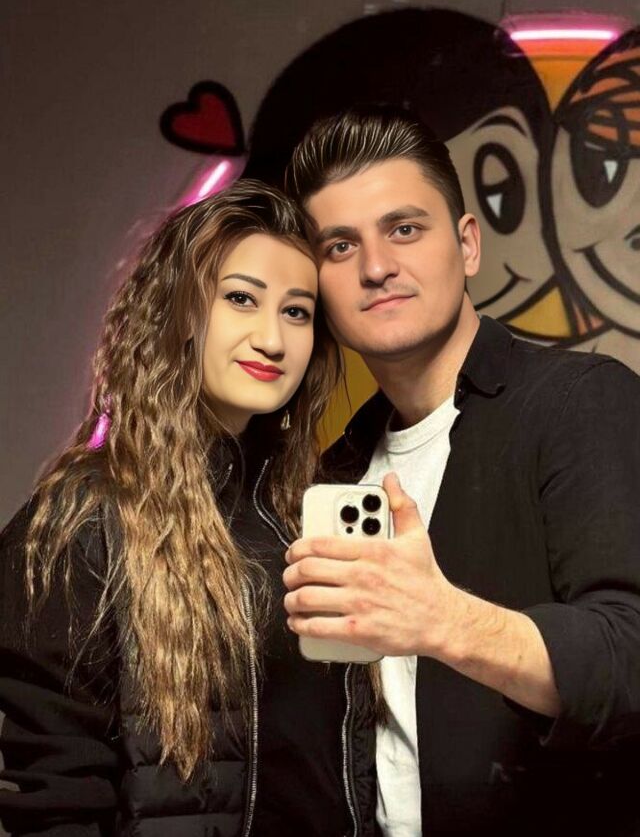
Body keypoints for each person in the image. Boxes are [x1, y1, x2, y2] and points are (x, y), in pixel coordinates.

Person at [282, 107, 640, 836]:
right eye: (340, 246)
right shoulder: (333, 472)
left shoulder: (579, 401)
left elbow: (630, 659)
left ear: (468, 244)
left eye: (404, 229)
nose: (376, 267)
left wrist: (444, 620)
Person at [0, 180, 377, 836]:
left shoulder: (312, 511)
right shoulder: (84, 517)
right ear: (177, 309)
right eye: (241, 299)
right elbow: (57, 797)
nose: (272, 339)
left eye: (297, 312)